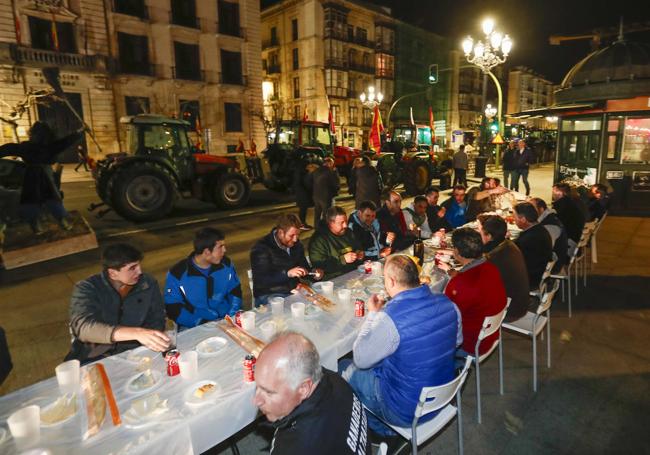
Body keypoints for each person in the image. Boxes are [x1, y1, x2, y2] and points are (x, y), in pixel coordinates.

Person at [339, 255, 458, 436]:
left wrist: (372, 315)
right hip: (441, 396)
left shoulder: (390, 317)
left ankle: (382, 430)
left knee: (343, 367)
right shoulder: (448, 302)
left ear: (392, 281)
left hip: (405, 410)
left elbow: (360, 360)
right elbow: (457, 341)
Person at [254, 332, 370, 455]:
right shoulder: (332, 378)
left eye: (269, 392)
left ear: (303, 389)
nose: (256, 400)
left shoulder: (294, 447)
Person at [66, 243, 168, 364]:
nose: (140, 271)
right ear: (113, 273)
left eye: (139, 265)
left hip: (134, 352)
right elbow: (83, 327)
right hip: (93, 356)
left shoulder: (147, 283)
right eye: (132, 268)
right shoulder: (88, 288)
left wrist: (152, 340)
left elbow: (157, 317)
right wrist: (136, 333)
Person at [0, 121, 84, 233]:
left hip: (31, 175)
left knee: (31, 200)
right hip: (45, 175)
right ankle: (62, 221)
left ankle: (36, 224)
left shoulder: (26, 147)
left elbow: (9, 148)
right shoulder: (51, 147)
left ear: (33, 134)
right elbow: (66, 141)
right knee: (51, 198)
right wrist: (79, 132)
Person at [442, 228, 507, 359]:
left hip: (471, 344)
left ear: (457, 251)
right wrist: (456, 274)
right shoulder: (491, 268)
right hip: (491, 334)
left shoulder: (460, 284)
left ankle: (455, 366)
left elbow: (446, 317)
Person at [164, 228, 242, 329]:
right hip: (193, 325)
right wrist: (200, 322)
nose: (224, 250)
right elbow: (173, 308)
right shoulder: (177, 273)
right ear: (206, 252)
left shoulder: (226, 264)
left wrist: (231, 316)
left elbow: (235, 291)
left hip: (225, 319)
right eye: (220, 247)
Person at [250, 214, 323, 306]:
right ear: (281, 232)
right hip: (268, 293)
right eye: (291, 235)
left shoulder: (296, 245)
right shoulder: (261, 248)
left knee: (319, 304)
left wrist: (313, 273)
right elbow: (261, 280)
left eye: (298, 234)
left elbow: (304, 269)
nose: (295, 239)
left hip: (293, 291)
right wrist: (287, 273)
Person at [477, 215, 530, 322]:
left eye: (481, 233)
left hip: (510, 309)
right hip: (521, 301)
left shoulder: (493, 257)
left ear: (488, 236)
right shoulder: (509, 244)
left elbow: (478, 284)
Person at [308, 206, 364, 279]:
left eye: (346, 221)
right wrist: (343, 259)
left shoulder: (348, 232)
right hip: (332, 279)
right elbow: (319, 266)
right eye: (341, 223)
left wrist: (359, 253)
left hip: (353, 274)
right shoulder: (318, 240)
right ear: (330, 223)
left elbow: (357, 247)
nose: (345, 225)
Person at [512, 202, 553, 290]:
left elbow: (515, 261)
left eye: (514, 217)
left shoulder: (529, 239)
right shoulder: (539, 229)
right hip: (540, 272)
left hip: (531, 278)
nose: (513, 219)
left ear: (523, 219)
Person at [530, 197, 569, 272]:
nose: (529, 211)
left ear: (541, 209)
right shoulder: (549, 218)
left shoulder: (549, 226)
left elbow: (543, 249)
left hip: (553, 266)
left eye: (532, 208)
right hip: (553, 260)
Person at [552, 183, 586, 250]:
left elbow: (558, 223)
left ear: (560, 193)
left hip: (568, 241)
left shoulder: (562, 205)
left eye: (554, 191)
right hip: (575, 237)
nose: (552, 194)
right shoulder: (570, 202)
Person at [311, 157, 340, 227]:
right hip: (326, 196)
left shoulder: (316, 171)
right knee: (326, 213)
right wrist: (335, 172)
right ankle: (324, 228)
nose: (333, 165)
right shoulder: (330, 171)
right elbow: (335, 183)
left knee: (317, 213)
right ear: (329, 163)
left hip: (316, 195)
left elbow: (310, 182)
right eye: (332, 163)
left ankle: (317, 227)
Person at [293, 162, 314, 230]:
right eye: (310, 166)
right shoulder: (304, 174)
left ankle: (301, 223)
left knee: (302, 209)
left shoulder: (298, 173)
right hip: (303, 194)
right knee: (303, 210)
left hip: (300, 194)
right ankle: (302, 224)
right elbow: (308, 184)